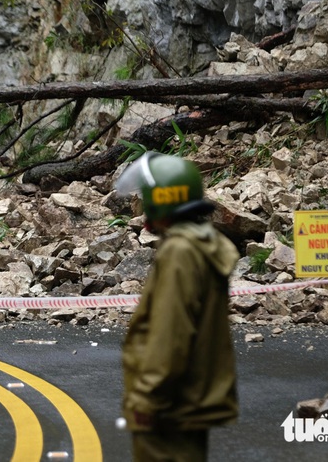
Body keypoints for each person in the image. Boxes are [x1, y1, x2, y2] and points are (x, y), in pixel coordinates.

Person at [115, 152, 240, 462]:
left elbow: (170, 333)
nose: (144, 214)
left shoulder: (180, 252)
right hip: (189, 399)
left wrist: (146, 398)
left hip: (169, 407)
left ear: (163, 199)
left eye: (149, 200)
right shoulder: (203, 244)